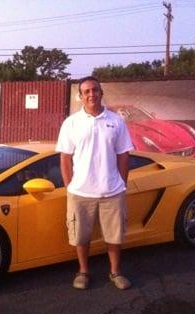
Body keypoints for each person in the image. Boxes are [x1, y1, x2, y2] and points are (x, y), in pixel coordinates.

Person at [56, 76, 134, 290]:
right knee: (81, 236)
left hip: (112, 191)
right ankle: (83, 272)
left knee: (114, 236)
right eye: (87, 91)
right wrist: (69, 185)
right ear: (80, 96)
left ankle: (116, 272)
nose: (91, 94)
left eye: (95, 90)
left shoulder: (116, 121)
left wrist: (121, 182)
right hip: (81, 192)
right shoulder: (71, 123)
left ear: (101, 92)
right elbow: (65, 157)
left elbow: (123, 154)